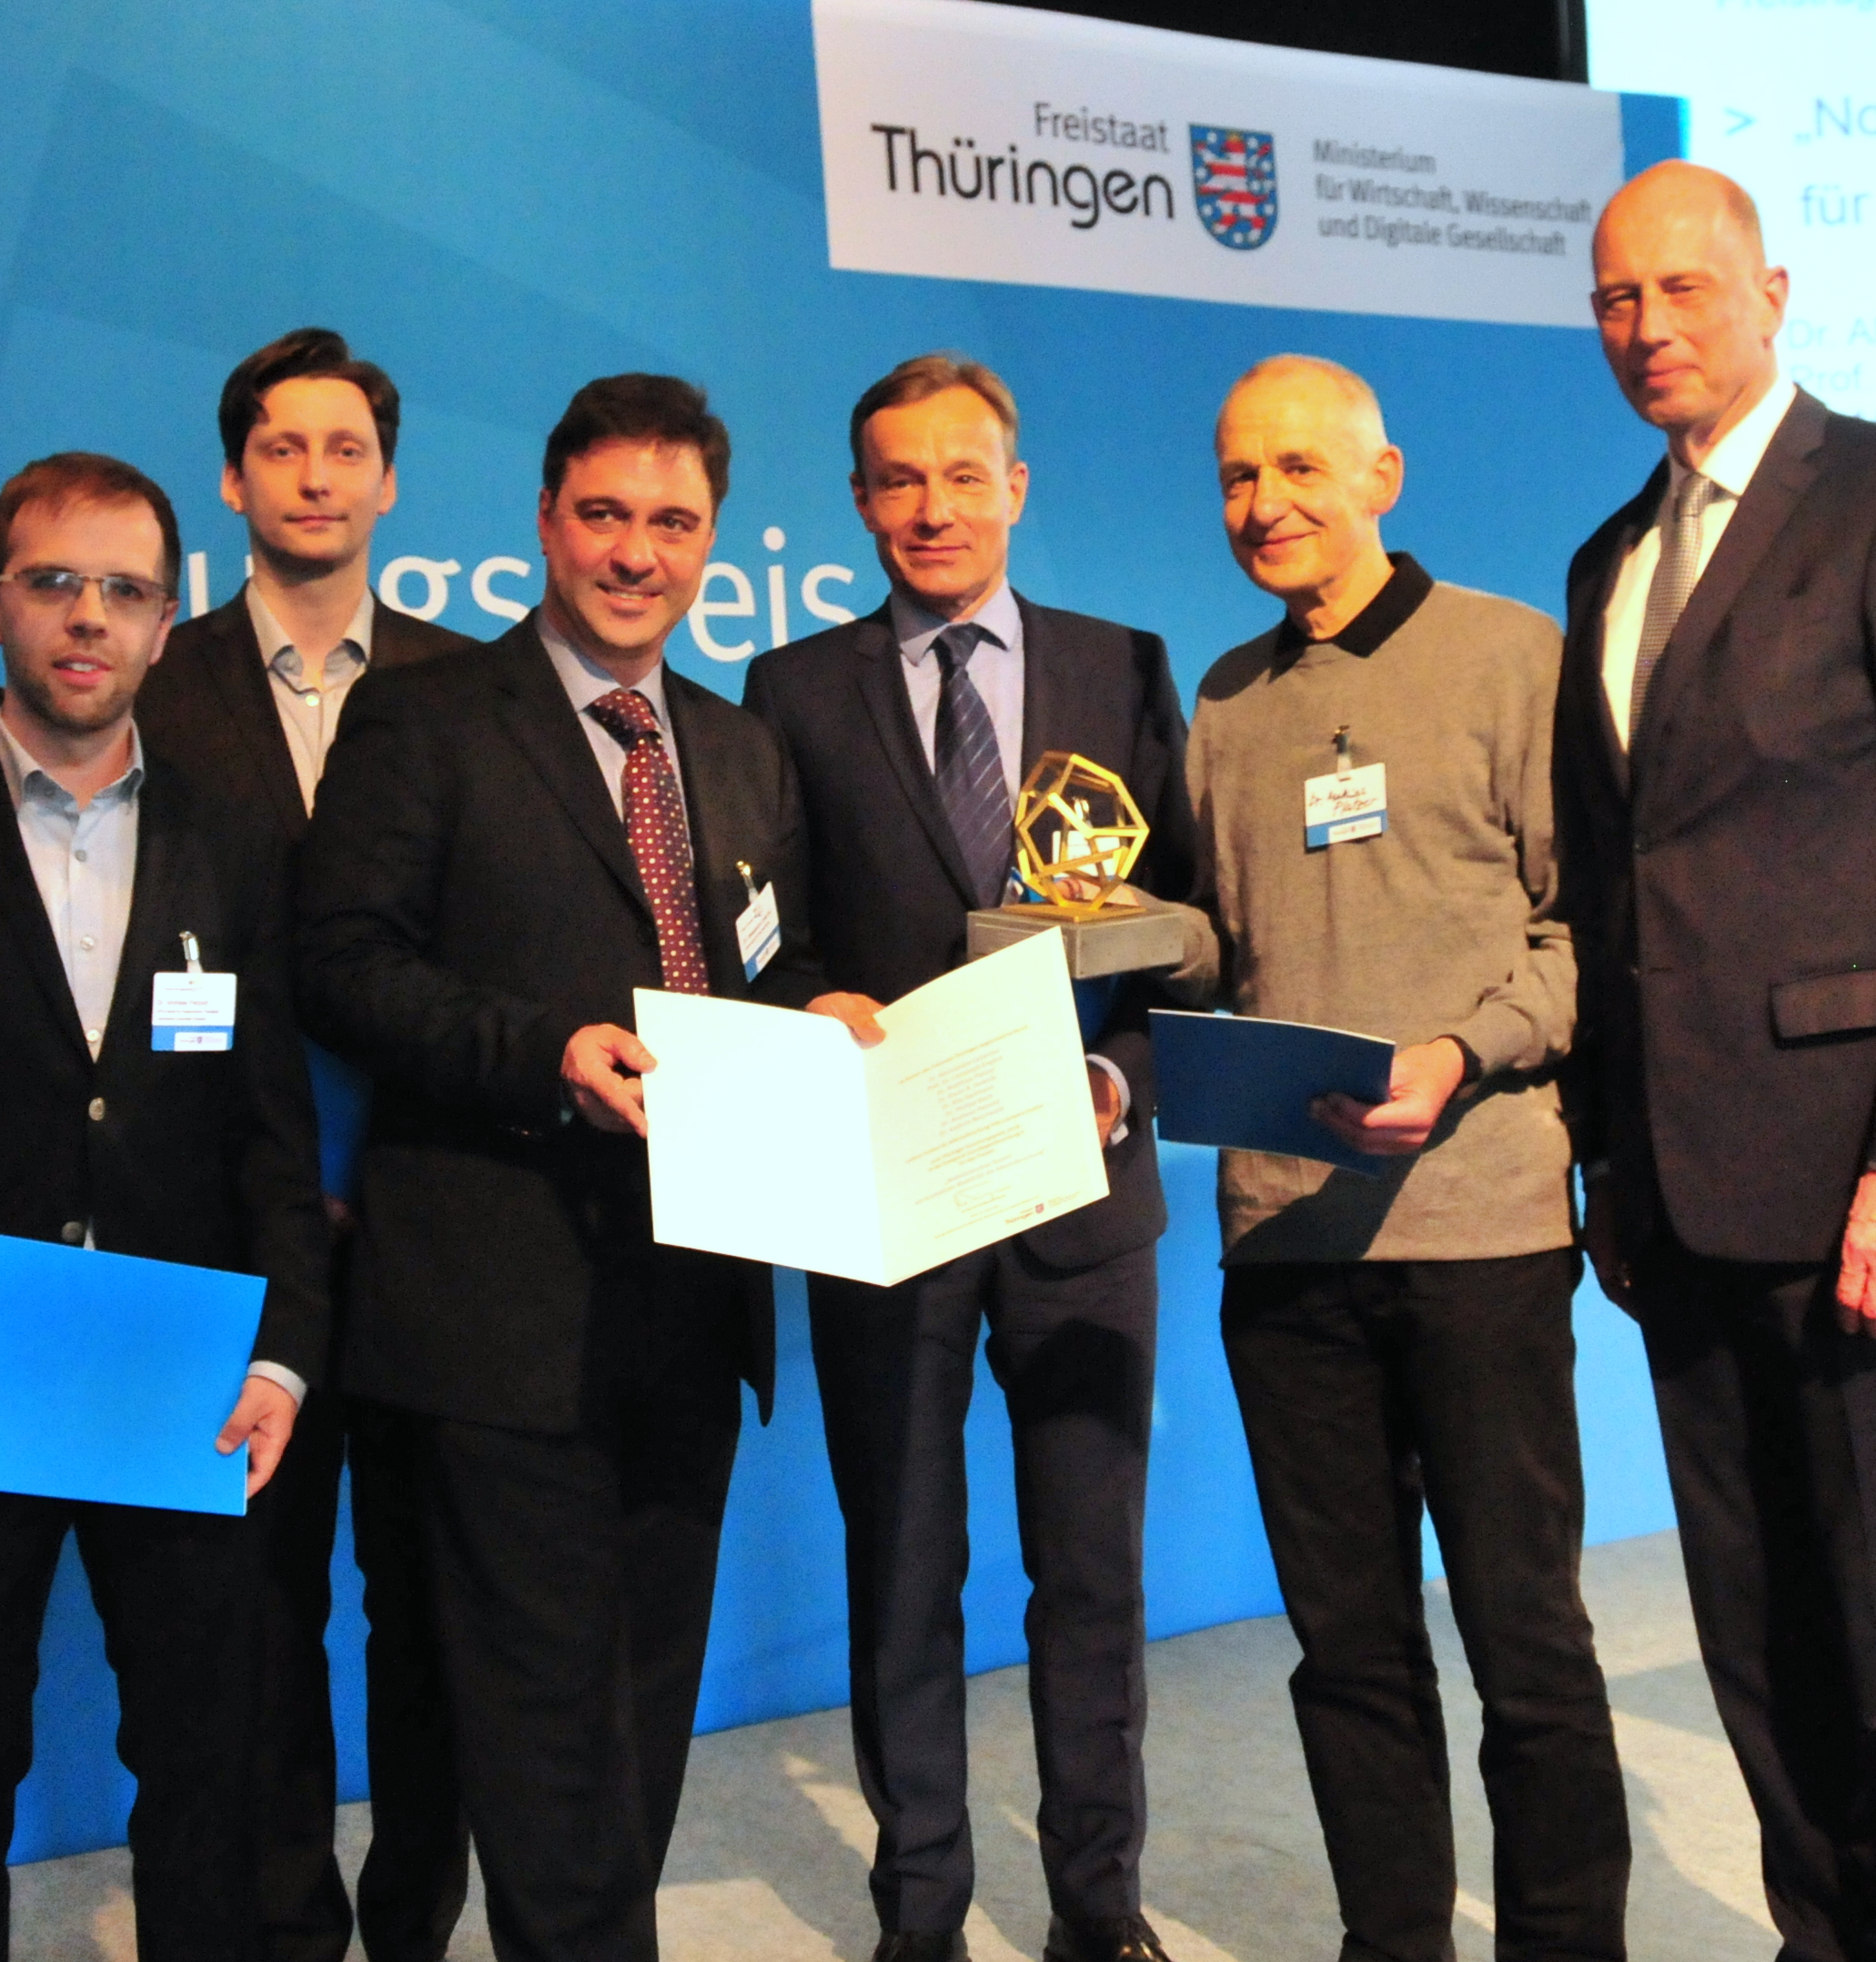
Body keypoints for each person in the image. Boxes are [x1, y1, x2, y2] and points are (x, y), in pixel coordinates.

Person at [294, 374, 852, 1962]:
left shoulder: (738, 748)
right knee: (544, 1736)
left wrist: (824, 1005)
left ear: (712, 542)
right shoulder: (425, 719)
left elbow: (769, 957)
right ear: (545, 522)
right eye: (603, 515)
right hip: (495, 1313)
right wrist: (545, 1051)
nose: (634, 553)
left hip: (693, 1302)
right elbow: (341, 963)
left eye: (671, 523)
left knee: (638, 1714)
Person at [1559, 162, 1876, 1962]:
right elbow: (1613, 886)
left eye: (1683, 288)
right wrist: (1607, 1159)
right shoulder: (1606, 560)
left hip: (1863, 1193)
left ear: (1773, 294)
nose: (1648, 327)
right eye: (1616, 299)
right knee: (1759, 1646)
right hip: (1680, 1205)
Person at [0, 451, 330, 1960]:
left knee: (208, 1769)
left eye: (126, 590)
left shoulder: (236, 838)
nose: (88, 617)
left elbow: (275, 1139)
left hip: (182, 1369)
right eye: (54, 583)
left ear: (166, 620)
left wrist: (284, 1357)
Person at [740, 353, 1195, 1962]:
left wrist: (1119, 1075)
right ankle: (919, 1912)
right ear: (858, 500)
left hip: (1085, 1192)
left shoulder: (1123, 667)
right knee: (903, 1569)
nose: (930, 508)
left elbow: (1190, 932)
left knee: (1092, 1575)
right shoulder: (791, 690)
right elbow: (768, 939)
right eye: (896, 480)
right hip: (894, 1195)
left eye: (959, 475)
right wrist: (807, 1003)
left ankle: (1098, 1909)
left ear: (1016, 487)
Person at [1185, 354, 1628, 1960]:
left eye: (1300, 468)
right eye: (1238, 476)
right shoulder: (1222, 702)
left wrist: (1459, 1051)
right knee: (1347, 1655)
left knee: (1527, 1643)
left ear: (1383, 477)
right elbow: (1224, 950)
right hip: (1285, 1248)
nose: (1265, 504)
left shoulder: (1510, 656)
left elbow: (1587, 937)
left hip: (1478, 1234)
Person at [136, 327, 474, 1962]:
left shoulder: (471, 687)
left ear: (389, 480)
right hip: (231, 1235)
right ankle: (283, 1929)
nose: (317, 477)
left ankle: (411, 1923)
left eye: (347, 449)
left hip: (436, 1233)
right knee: (251, 1622)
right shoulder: (153, 682)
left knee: (428, 1615)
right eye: (283, 447)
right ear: (231, 478)